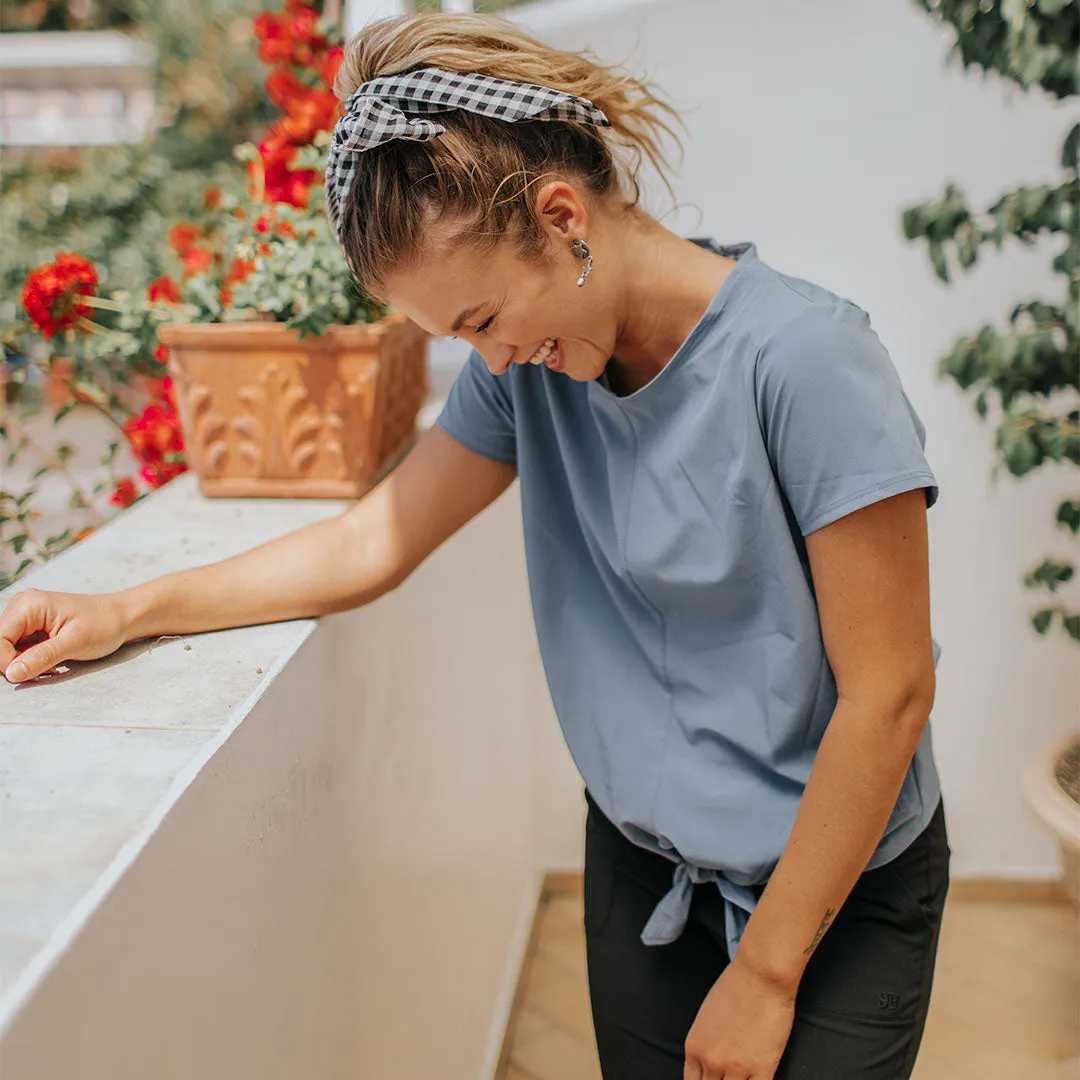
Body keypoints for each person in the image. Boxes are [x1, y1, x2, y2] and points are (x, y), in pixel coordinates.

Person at [0, 13, 951, 1080]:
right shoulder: (530, 371)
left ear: (563, 216)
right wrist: (125, 609)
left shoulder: (809, 362)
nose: (492, 357)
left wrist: (770, 975)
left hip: (841, 880)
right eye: (461, 338)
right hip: (646, 871)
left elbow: (891, 695)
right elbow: (371, 544)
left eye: (486, 316)